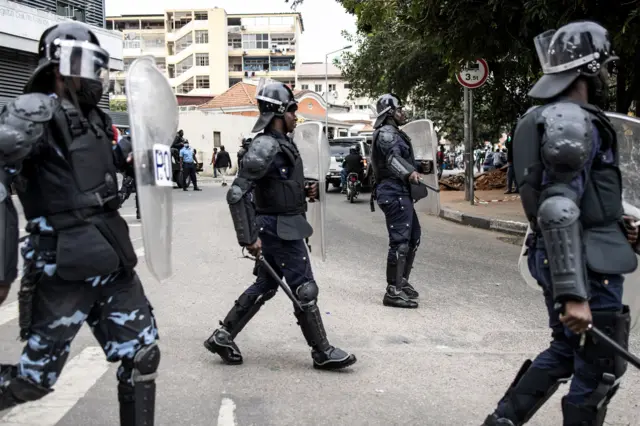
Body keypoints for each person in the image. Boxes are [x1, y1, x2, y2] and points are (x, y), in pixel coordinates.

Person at [0, 22, 159, 425]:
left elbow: (100, 180)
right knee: (33, 381)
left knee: (143, 357)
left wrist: (134, 156)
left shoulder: (97, 121)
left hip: (111, 259)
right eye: (89, 66)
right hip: (62, 266)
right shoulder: (32, 111)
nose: (97, 78)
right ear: (62, 66)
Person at [482, 21, 638, 425]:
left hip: (568, 254)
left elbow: (578, 198)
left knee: (567, 350)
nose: (607, 76)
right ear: (589, 67)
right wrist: (573, 292)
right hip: (584, 266)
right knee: (599, 367)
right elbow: (557, 207)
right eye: (605, 67)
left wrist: (619, 223)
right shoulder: (571, 118)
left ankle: (501, 422)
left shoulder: (555, 116)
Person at [203, 81, 357, 370]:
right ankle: (321, 352)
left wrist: (303, 192)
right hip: (278, 227)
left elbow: (277, 187)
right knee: (305, 288)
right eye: (292, 110)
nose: (296, 116)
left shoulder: (283, 144)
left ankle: (223, 335)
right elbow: (237, 193)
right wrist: (248, 237)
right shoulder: (265, 145)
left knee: (266, 284)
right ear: (279, 112)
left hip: (283, 222)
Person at [370, 94, 425, 309]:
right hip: (392, 192)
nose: (403, 112)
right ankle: (393, 290)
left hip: (399, 191)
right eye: (399, 109)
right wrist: (410, 173)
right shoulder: (386, 133)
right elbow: (392, 160)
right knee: (400, 241)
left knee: (413, 236)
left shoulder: (394, 133)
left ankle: (401, 281)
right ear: (390, 112)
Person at [504, 125, 518, 194]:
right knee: (515, 175)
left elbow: (507, 144)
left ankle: (509, 189)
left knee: (509, 175)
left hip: (511, 160)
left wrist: (508, 136)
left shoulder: (510, 138)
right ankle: (516, 188)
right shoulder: (518, 137)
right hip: (516, 159)